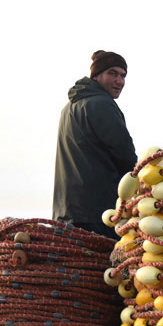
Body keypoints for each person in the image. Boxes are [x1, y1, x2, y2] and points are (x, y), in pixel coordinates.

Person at [53, 50, 137, 237]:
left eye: (123, 76)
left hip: (66, 213)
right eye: (112, 74)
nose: (119, 81)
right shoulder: (101, 104)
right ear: (97, 76)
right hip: (98, 214)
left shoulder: (69, 108)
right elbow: (125, 156)